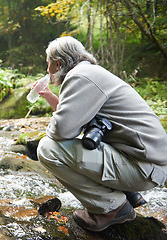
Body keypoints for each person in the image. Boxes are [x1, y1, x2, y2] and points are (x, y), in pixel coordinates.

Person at [36, 36, 167, 232]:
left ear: (57, 63)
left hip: (144, 167)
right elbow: (74, 120)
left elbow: (60, 132)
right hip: (148, 162)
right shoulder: (90, 73)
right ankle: (125, 195)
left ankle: (111, 208)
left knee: (47, 149)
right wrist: (51, 97)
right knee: (84, 140)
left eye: (48, 65)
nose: (47, 71)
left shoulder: (80, 77)